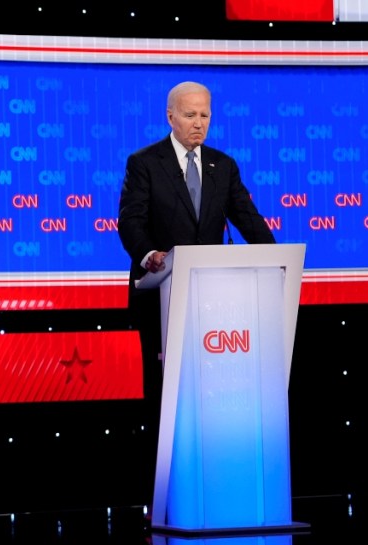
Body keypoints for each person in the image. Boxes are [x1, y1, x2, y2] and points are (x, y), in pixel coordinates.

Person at [116, 80, 275, 498]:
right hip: (162, 296)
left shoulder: (224, 165)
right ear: (170, 116)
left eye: (205, 115)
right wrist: (149, 252)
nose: (198, 123)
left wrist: (276, 259)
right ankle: (165, 489)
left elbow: (247, 217)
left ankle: (216, 480)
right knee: (165, 391)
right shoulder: (144, 163)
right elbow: (130, 221)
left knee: (214, 391)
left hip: (217, 303)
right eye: (190, 115)